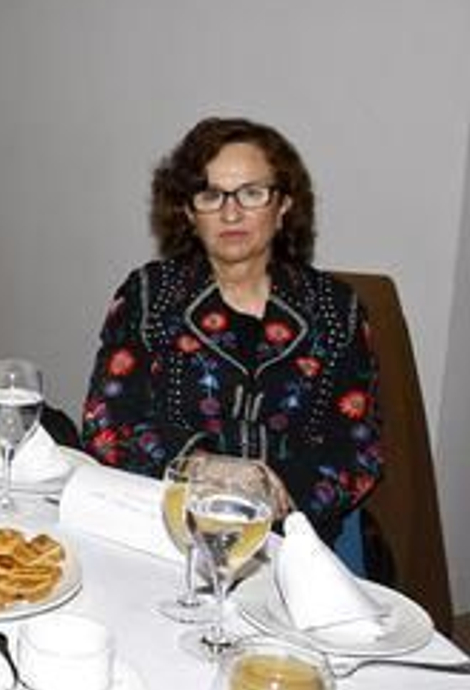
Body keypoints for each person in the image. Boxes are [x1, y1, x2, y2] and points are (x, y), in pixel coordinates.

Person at [79, 116, 382, 554]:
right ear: (187, 212)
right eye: (210, 195)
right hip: (166, 532)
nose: (231, 212)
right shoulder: (149, 294)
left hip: (293, 540)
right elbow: (107, 420)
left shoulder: (337, 310)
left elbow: (360, 449)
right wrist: (203, 468)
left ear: (283, 207)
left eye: (252, 193)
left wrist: (272, 494)